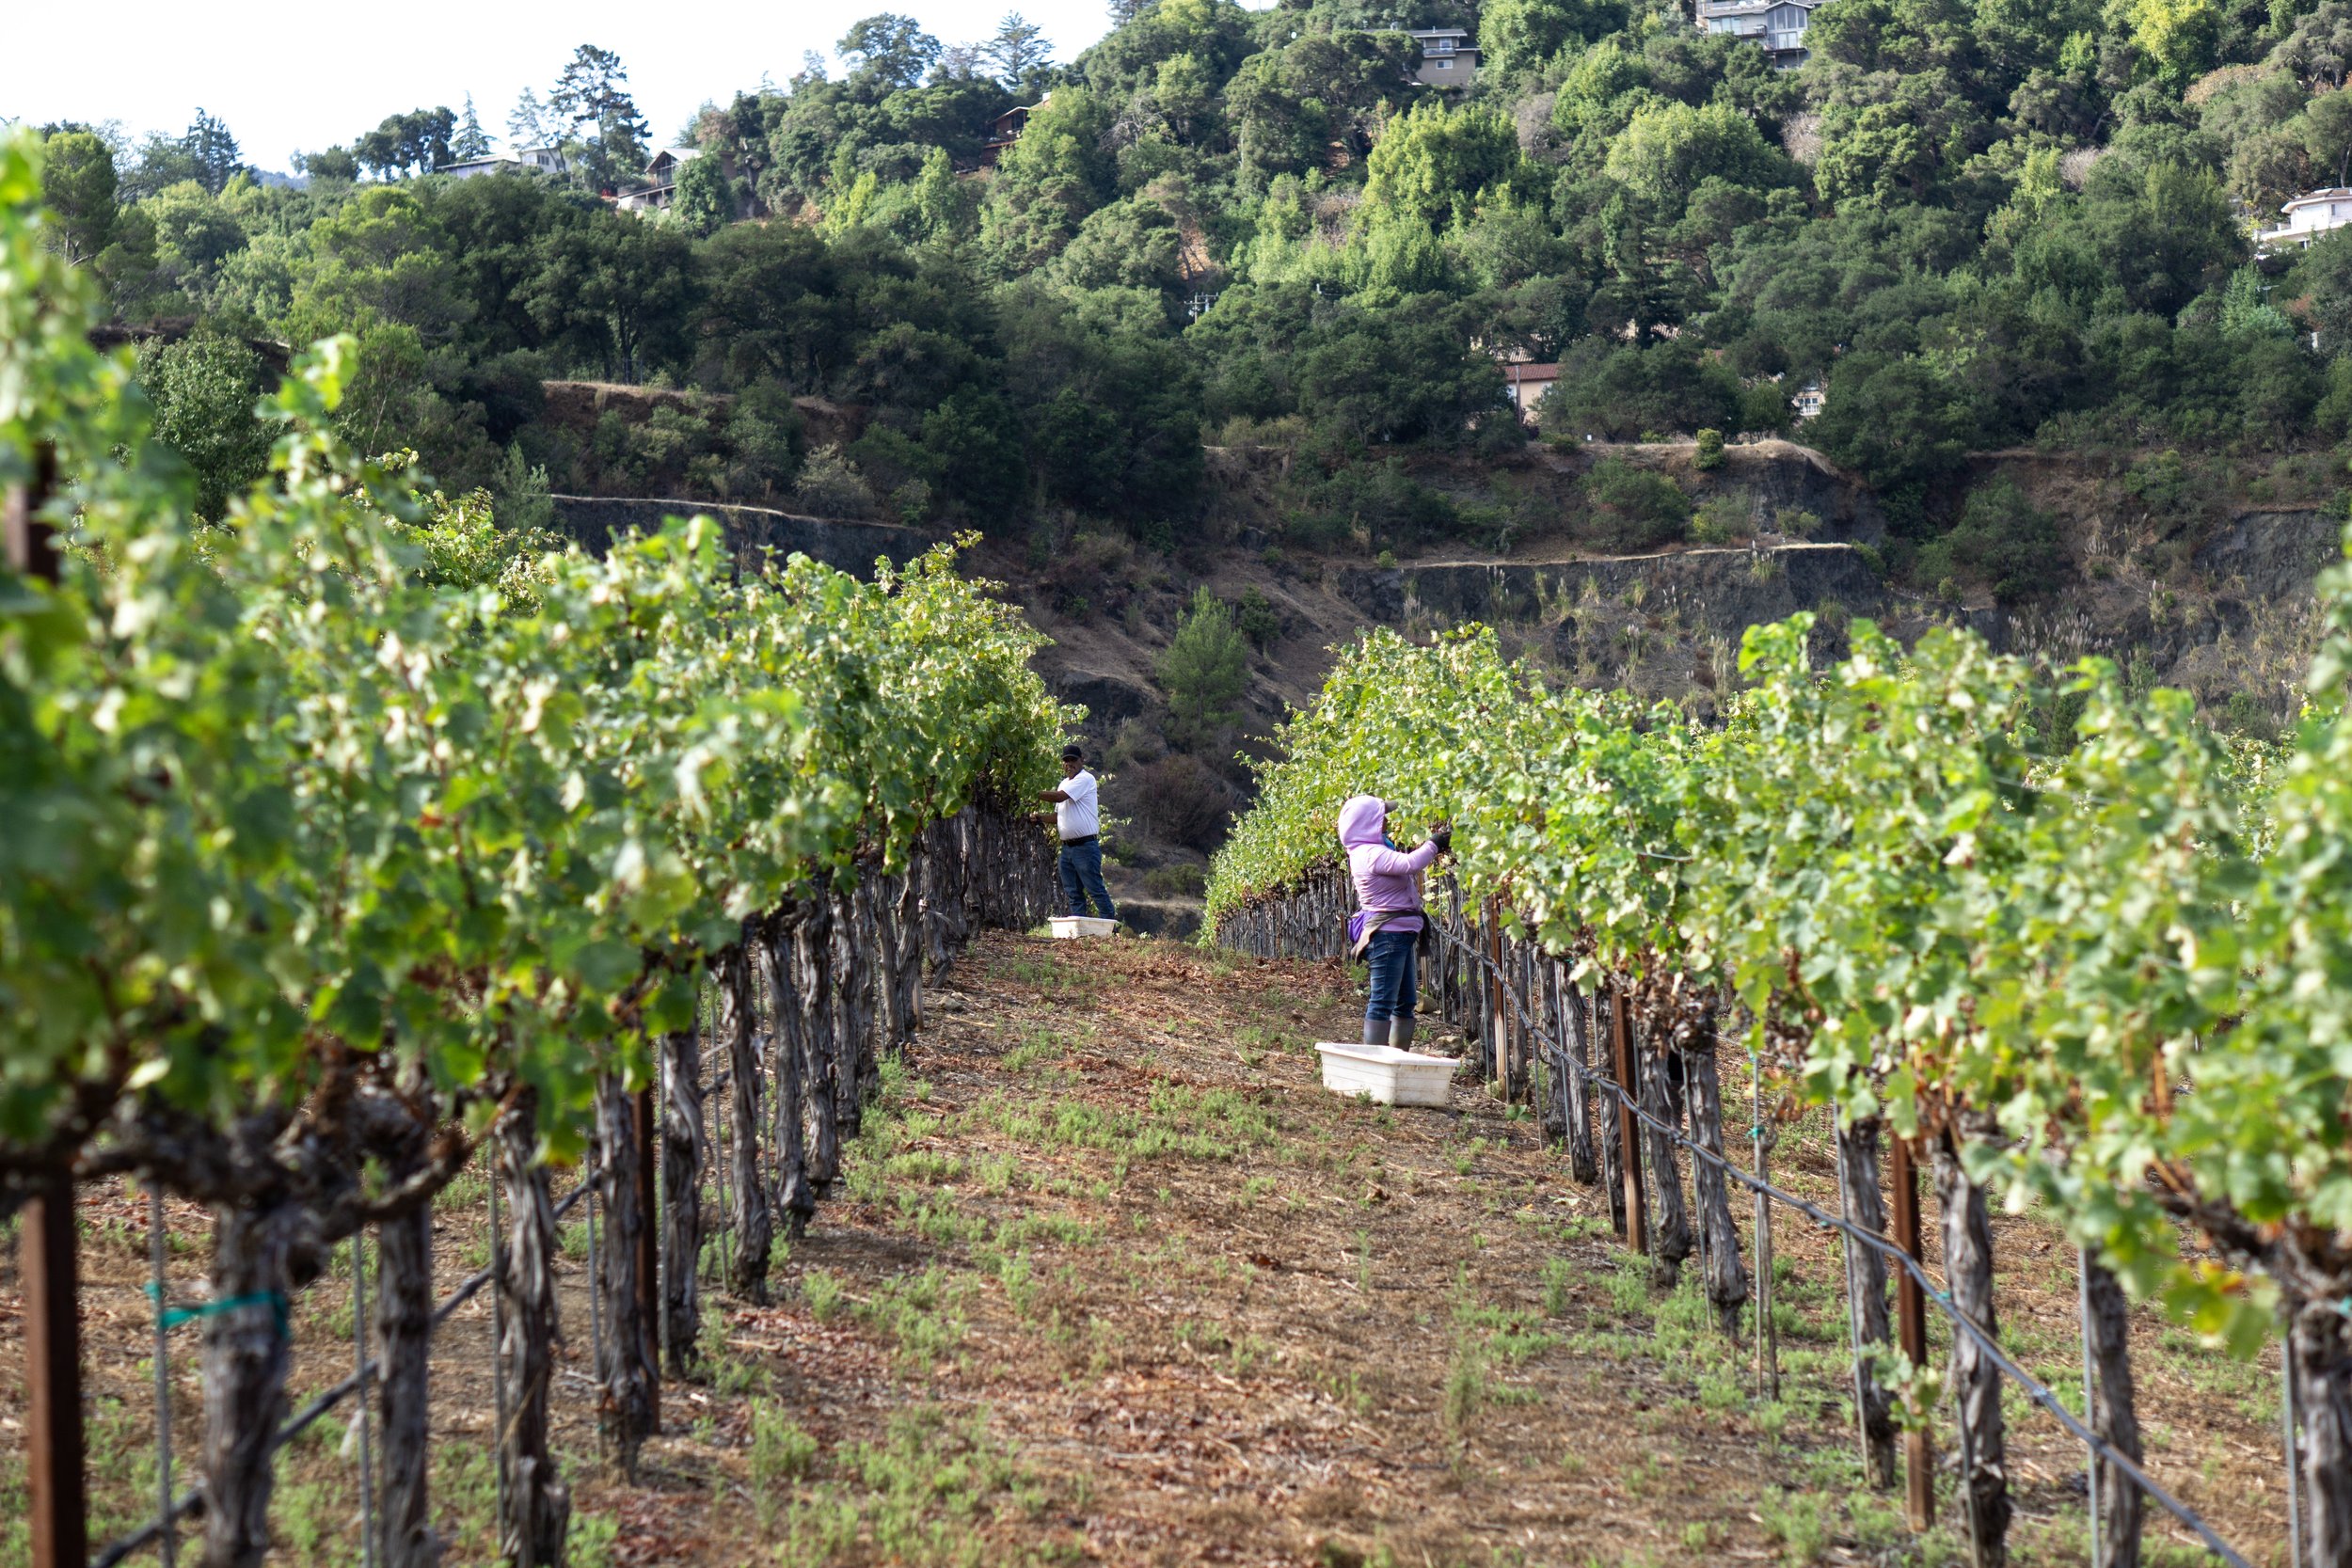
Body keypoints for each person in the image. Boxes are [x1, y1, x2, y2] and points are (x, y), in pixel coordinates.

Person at [1337, 794, 1451, 1050]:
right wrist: (1435, 843)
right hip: (1388, 936)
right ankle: (1374, 1063)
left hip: (1397, 934)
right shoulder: (1370, 854)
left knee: (1405, 1001)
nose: (1386, 820)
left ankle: (1397, 1058)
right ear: (1367, 823)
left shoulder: (1371, 849)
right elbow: (1410, 864)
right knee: (1382, 1003)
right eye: (1381, 816)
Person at [1038, 744, 1116, 923]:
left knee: (1095, 889)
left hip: (1085, 846)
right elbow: (1058, 816)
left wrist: (1034, 792)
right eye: (1066, 761)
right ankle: (1080, 930)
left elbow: (1059, 797)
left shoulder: (1085, 779)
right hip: (1067, 848)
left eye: (1073, 760)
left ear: (1082, 760)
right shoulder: (1064, 784)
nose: (1069, 764)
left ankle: (1110, 929)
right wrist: (1039, 818)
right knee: (1073, 892)